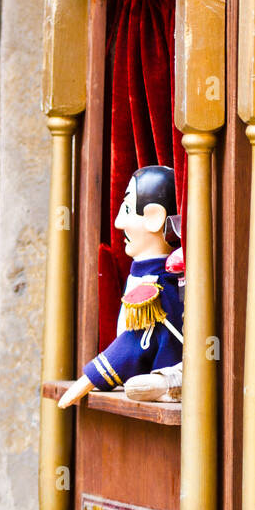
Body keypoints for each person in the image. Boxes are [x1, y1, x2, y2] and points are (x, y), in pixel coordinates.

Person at [58, 165, 183, 408]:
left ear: (154, 217)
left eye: (126, 209)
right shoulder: (148, 276)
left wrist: (90, 377)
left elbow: (134, 342)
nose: (117, 223)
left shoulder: (156, 285)